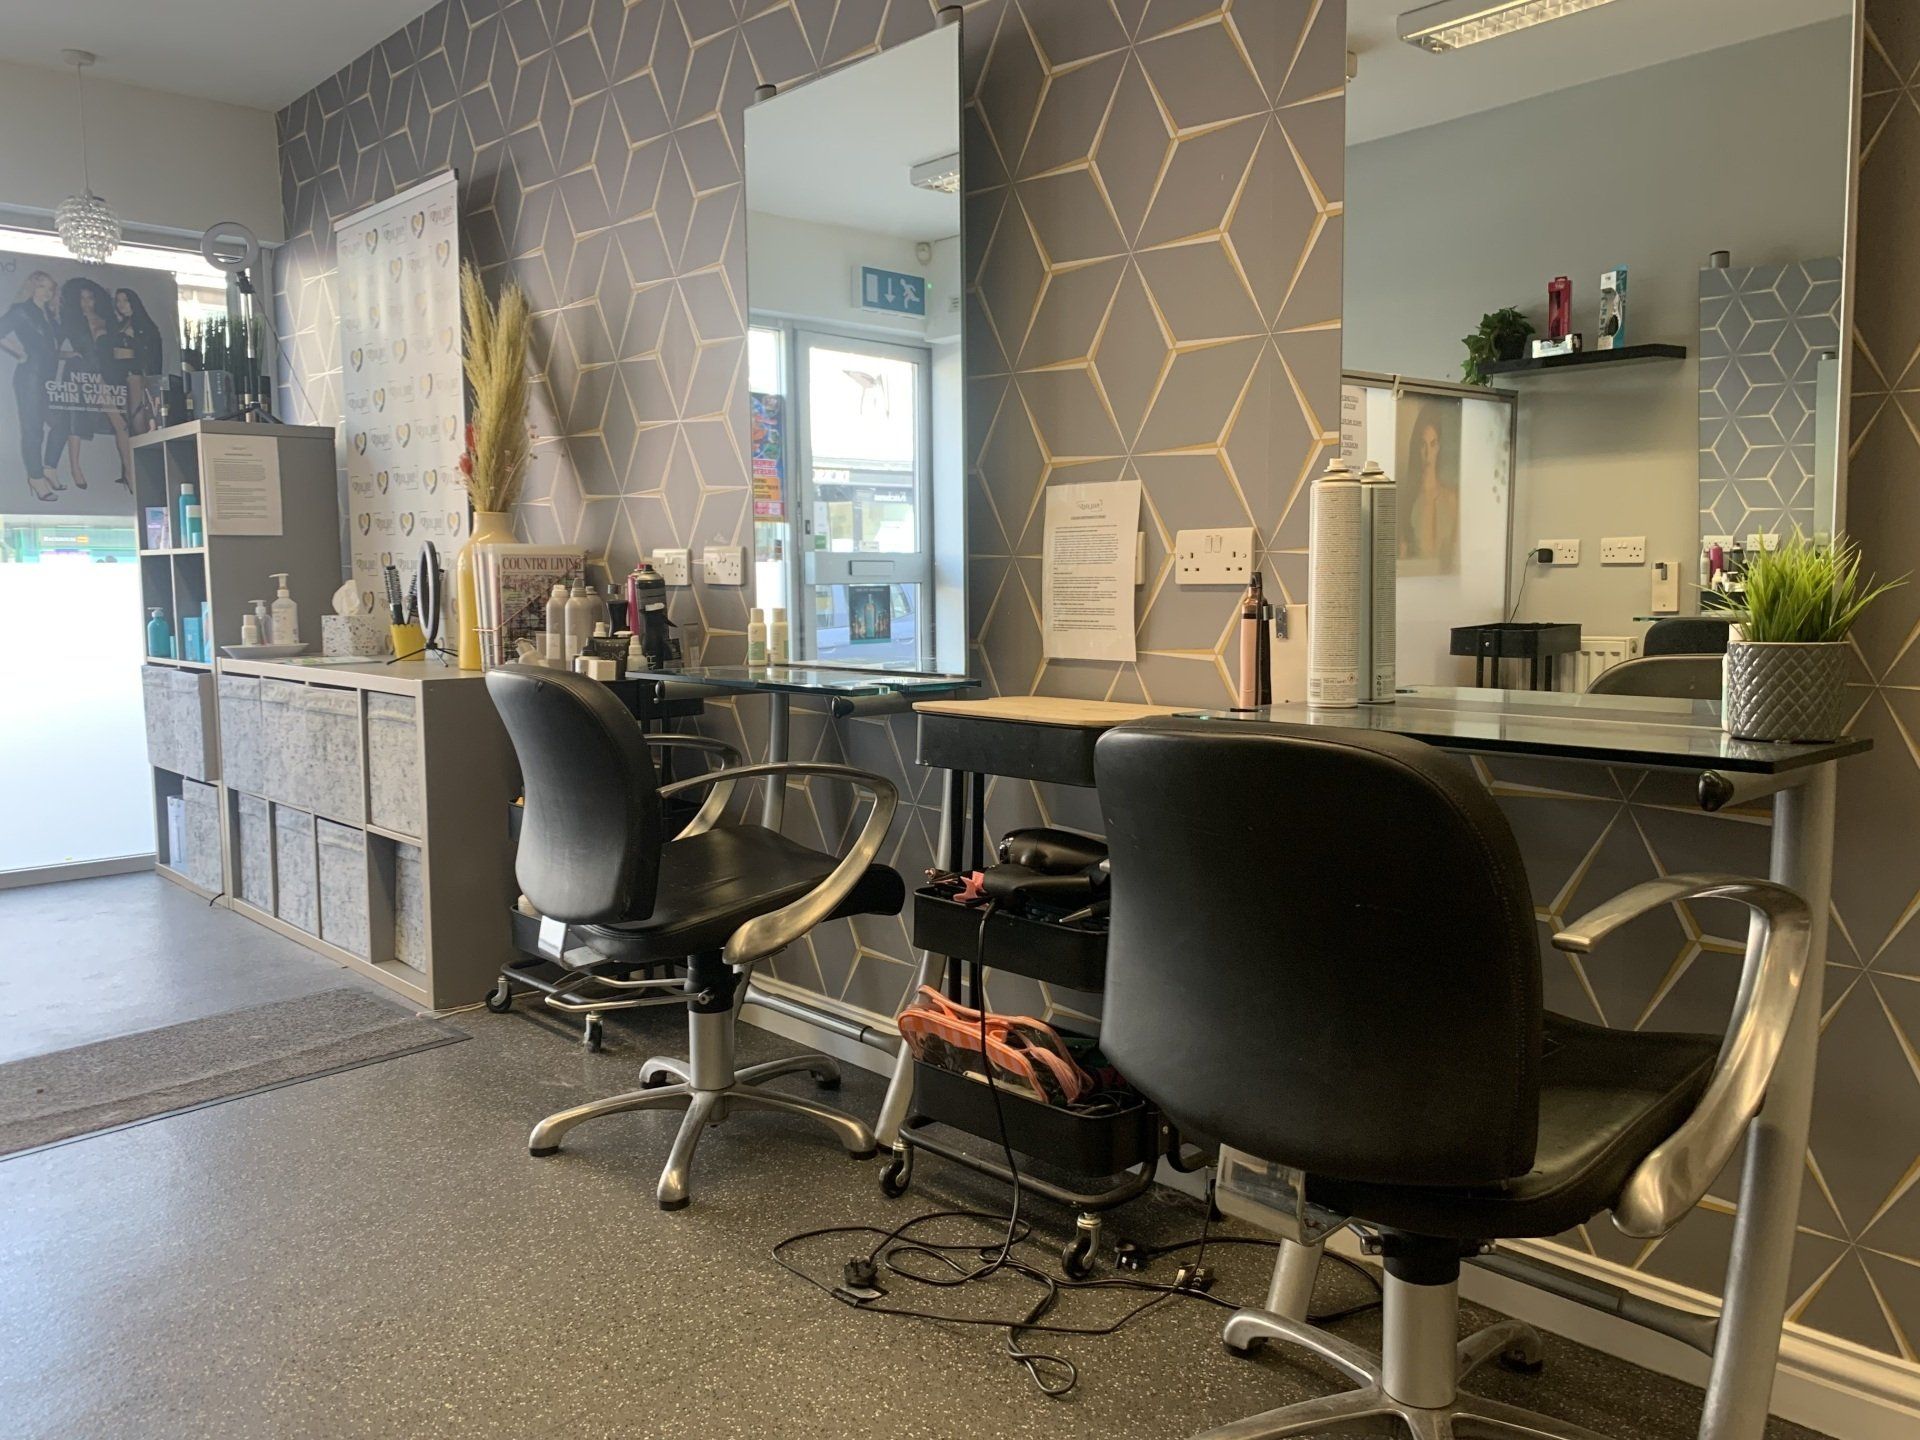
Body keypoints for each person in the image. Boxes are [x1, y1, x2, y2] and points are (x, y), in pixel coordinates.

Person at [0, 271, 63, 502]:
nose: (46, 292)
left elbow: (50, 347)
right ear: (32, 287)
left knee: (60, 424)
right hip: (29, 377)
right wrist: (19, 352)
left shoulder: (48, 314)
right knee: (33, 429)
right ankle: (36, 477)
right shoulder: (22, 311)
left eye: (50, 288)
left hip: (47, 379)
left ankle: (48, 469)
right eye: (41, 286)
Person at [1399, 406, 1459, 575]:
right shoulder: (1408, 501)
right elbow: (1402, 559)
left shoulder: (1451, 498)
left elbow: (1457, 554)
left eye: (1433, 444)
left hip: (1446, 586)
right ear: (1416, 447)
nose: (1427, 453)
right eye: (1423, 444)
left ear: (1438, 447)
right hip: (1416, 585)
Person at [111, 287, 163, 436]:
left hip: (137, 376)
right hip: (122, 378)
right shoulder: (121, 325)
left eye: (125, 300)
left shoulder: (144, 326)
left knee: (137, 414)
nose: (121, 304)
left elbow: (152, 355)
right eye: (118, 301)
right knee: (125, 416)